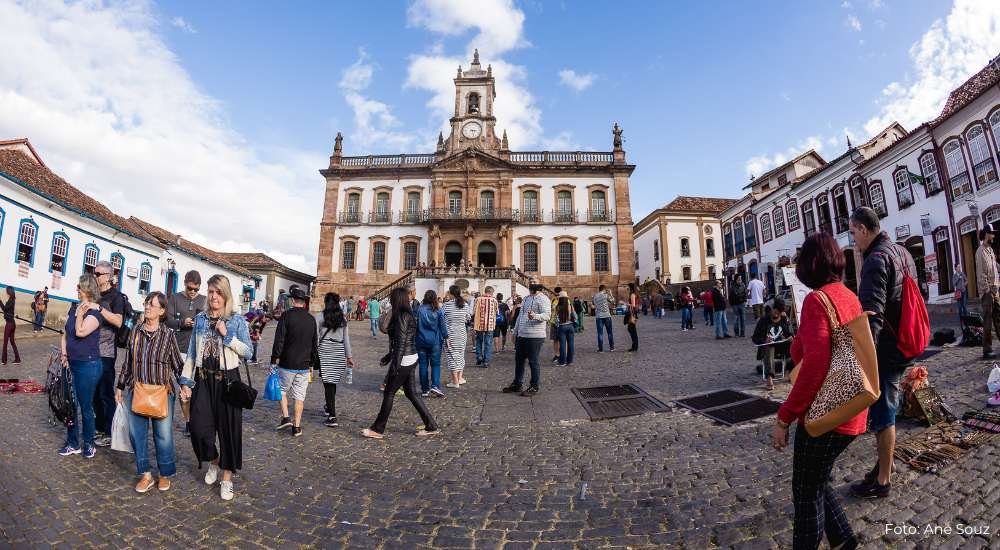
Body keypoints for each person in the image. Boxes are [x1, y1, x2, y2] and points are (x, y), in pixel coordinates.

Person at [771, 232, 865, 550]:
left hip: (828, 414)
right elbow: (807, 350)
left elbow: (813, 366)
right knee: (819, 478)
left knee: (806, 490)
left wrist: (785, 418)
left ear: (810, 265)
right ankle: (844, 539)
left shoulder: (817, 300)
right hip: (854, 406)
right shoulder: (847, 295)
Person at [847, 207, 918, 499]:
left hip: (887, 350)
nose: (853, 241)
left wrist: (866, 361)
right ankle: (881, 466)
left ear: (864, 229)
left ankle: (883, 481)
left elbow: (871, 316)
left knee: (885, 415)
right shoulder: (902, 252)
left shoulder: (875, 260)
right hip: (904, 340)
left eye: (853, 233)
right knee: (887, 408)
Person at [180, 274, 253, 501]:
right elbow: (192, 352)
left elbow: (249, 352)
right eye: (211, 291)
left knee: (229, 431)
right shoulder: (200, 319)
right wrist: (185, 381)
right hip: (203, 379)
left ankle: (227, 478)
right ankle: (213, 461)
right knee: (199, 428)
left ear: (226, 295)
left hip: (228, 381)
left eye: (218, 292)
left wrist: (228, 336)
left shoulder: (236, 321)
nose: (214, 296)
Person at [115, 291, 184, 493]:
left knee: (163, 436)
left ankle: (164, 473)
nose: (147, 307)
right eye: (146, 303)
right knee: (137, 434)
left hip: (162, 392)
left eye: (152, 305)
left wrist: (185, 386)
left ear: (162, 311)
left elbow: (178, 365)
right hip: (137, 390)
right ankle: (145, 474)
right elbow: (128, 362)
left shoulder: (169, 335)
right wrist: (120, 386)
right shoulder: (135, 331)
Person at [362, 287, 440, 439]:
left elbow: (402, 343)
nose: (390, 300)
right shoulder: (403, 314)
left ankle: (378, 429)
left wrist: (394, 366)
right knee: (411, 393)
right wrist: (389, 356)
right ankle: (431, 425)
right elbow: (398, 340)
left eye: (392, 298)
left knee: (389, 392)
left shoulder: (403, 316)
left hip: (404, 359)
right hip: (409, 357)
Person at [57, 274, 103, 458]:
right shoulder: (73, 308)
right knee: (69, 405)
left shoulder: (95, 314)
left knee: (85, 406)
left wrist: (81, 314)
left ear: (87, 290)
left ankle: (89, 443)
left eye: (79, 287)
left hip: (88, 366)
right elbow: (65, 334)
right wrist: (64, 354)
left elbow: (80, 331)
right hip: (71, 363)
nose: (76, 289)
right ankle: (73, 442)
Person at [271, 287, 318, 437]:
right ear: (304, 303)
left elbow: (279, 339)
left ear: (292, 301)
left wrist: (273, 359)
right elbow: (314, 343)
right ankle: (297, 427)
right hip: (304, 365)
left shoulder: (286, 316)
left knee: (282, 390)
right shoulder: (311, 319)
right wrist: (312, 364)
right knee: (299, 396)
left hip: (287, 363)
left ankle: (286, 417)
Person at [165, 270, 206, 437]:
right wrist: (182, 322)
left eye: (196, 289)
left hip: (199, 352)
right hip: (180, 350)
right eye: (190, 288)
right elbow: (167, 320)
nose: (193, 292)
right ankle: (189, 422)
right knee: (184, 388)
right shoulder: (175, 298)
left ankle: (198, 420)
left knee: (199, 390)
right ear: (185, 284)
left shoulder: (204, 300)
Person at [92, 261, 125, 448]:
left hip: (105, 353)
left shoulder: (116, 297)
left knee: (105, 392)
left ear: (108, 276)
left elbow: (119, 321)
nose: (95, 276)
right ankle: (98, 427)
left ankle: (109, 430)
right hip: (89, 351)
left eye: (98, 274)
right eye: (94, 273)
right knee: (93, 394)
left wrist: (100, 309)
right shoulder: (94, 294)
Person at [503, 277, 551, 396]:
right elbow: (520, 317)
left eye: (534, 281)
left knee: (533, 361)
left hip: (535, 336)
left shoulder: (544, 299)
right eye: (531, 282)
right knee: (519, 361)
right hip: (522, 335)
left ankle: (534, 386)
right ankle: (517, 384)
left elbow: (547, 315)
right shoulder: (526, 299)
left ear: (539, 284)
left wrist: (535, 316)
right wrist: (515, 332)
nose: (532, 283)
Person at [316, 292, 353, 428]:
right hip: (338, 352)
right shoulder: (342, 318)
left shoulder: (319, 316)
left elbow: (315, 338)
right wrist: (349, 357)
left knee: (328, 384)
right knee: (332, 383)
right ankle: (328, 407)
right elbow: (346, 340)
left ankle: (332, 416)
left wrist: (312, 355)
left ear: (326, 302)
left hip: (324, 352)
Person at [752, 298, 793, 390]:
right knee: (769, 347)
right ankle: (769, 377)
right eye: (775, 311)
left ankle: (791, 371)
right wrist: (764, 340)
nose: (777, 314)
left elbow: (789, 333)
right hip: (767, 347)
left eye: (779, 312)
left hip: (781, 346)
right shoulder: (763, 320)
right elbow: (755, 338)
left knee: (796, 345)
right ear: (771, 309)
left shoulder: (783, 319)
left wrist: (790, 337)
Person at [416, 290, 448, 397]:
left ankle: (425, 389)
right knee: (435, 365)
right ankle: (435, 386)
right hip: (435, 341)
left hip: (421, 340)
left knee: (423, 365)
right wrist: (446, 337)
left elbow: (415, 325)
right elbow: (443, 326)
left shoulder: (419, 309)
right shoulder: (439, 310)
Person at [975, 228, 1000, 360]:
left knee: (998, 318)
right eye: (992, 234)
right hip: (988, 293)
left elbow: (994, 269)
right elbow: (981, 274)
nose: (994, 236)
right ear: (986, 235)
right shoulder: (980, 252)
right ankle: (987, 350)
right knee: (988, 322)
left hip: (996, 290)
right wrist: (987, 290)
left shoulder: (990, 250)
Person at [442, 285, 472, 389]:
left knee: (452, 356)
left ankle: (455, 381)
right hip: (462, 333)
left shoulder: (446, 305)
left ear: (450, 293)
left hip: (450, 334)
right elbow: (468, 318)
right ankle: (459, 378)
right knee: (460, 355)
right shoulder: (465, 304)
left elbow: (442, 319)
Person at [473, 286, 498, 368]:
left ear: (485, 291)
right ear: (491, 292)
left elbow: (473, 311)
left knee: (479, 341)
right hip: (490, 325)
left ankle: (479, 356)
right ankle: (486, 361)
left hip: (479, 324)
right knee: (488, 343)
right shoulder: (494, 300)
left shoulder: (478, 299)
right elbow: (497, 312)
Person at [555, 291, 577, 366]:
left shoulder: (558, 307)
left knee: (562, 344)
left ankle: (562, 362)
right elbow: (574, 315)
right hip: (570, 326)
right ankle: (570, 361)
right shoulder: (570, 305)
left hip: (562, 326)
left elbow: (556, 319)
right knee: (571, 344)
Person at [592, 285, 615, 352]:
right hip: (607, 316)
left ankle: (601, 349)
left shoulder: (595, 296)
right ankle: (612, 347)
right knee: (609, 332)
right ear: (604, 289)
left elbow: (593, 304)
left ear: (599, 289)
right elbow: (613, 301)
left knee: (600, 333)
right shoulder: (606, 295)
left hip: (599, 316)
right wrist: (610, 294)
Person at [3, 287, 21, 365]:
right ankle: (17, 359)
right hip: (12, 323)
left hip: (9, 324)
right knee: (12, 341)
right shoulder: (12, 300)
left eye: (6, 291)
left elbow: (5, 309)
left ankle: (4, 360)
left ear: (9, 292)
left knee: (5, 342)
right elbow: (6, 309)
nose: (6, 292)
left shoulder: (10, 300)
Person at [627, 282, 640, 352]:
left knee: (631, 330)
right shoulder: (635, 294)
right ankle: (635, 346)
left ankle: (635, 346)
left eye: (628, 288)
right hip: (634, 313)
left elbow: (633, 305)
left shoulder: (632, 294)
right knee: (632, 330)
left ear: (631, 288)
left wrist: (626, 303)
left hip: (632, 314)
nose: (627, 289)